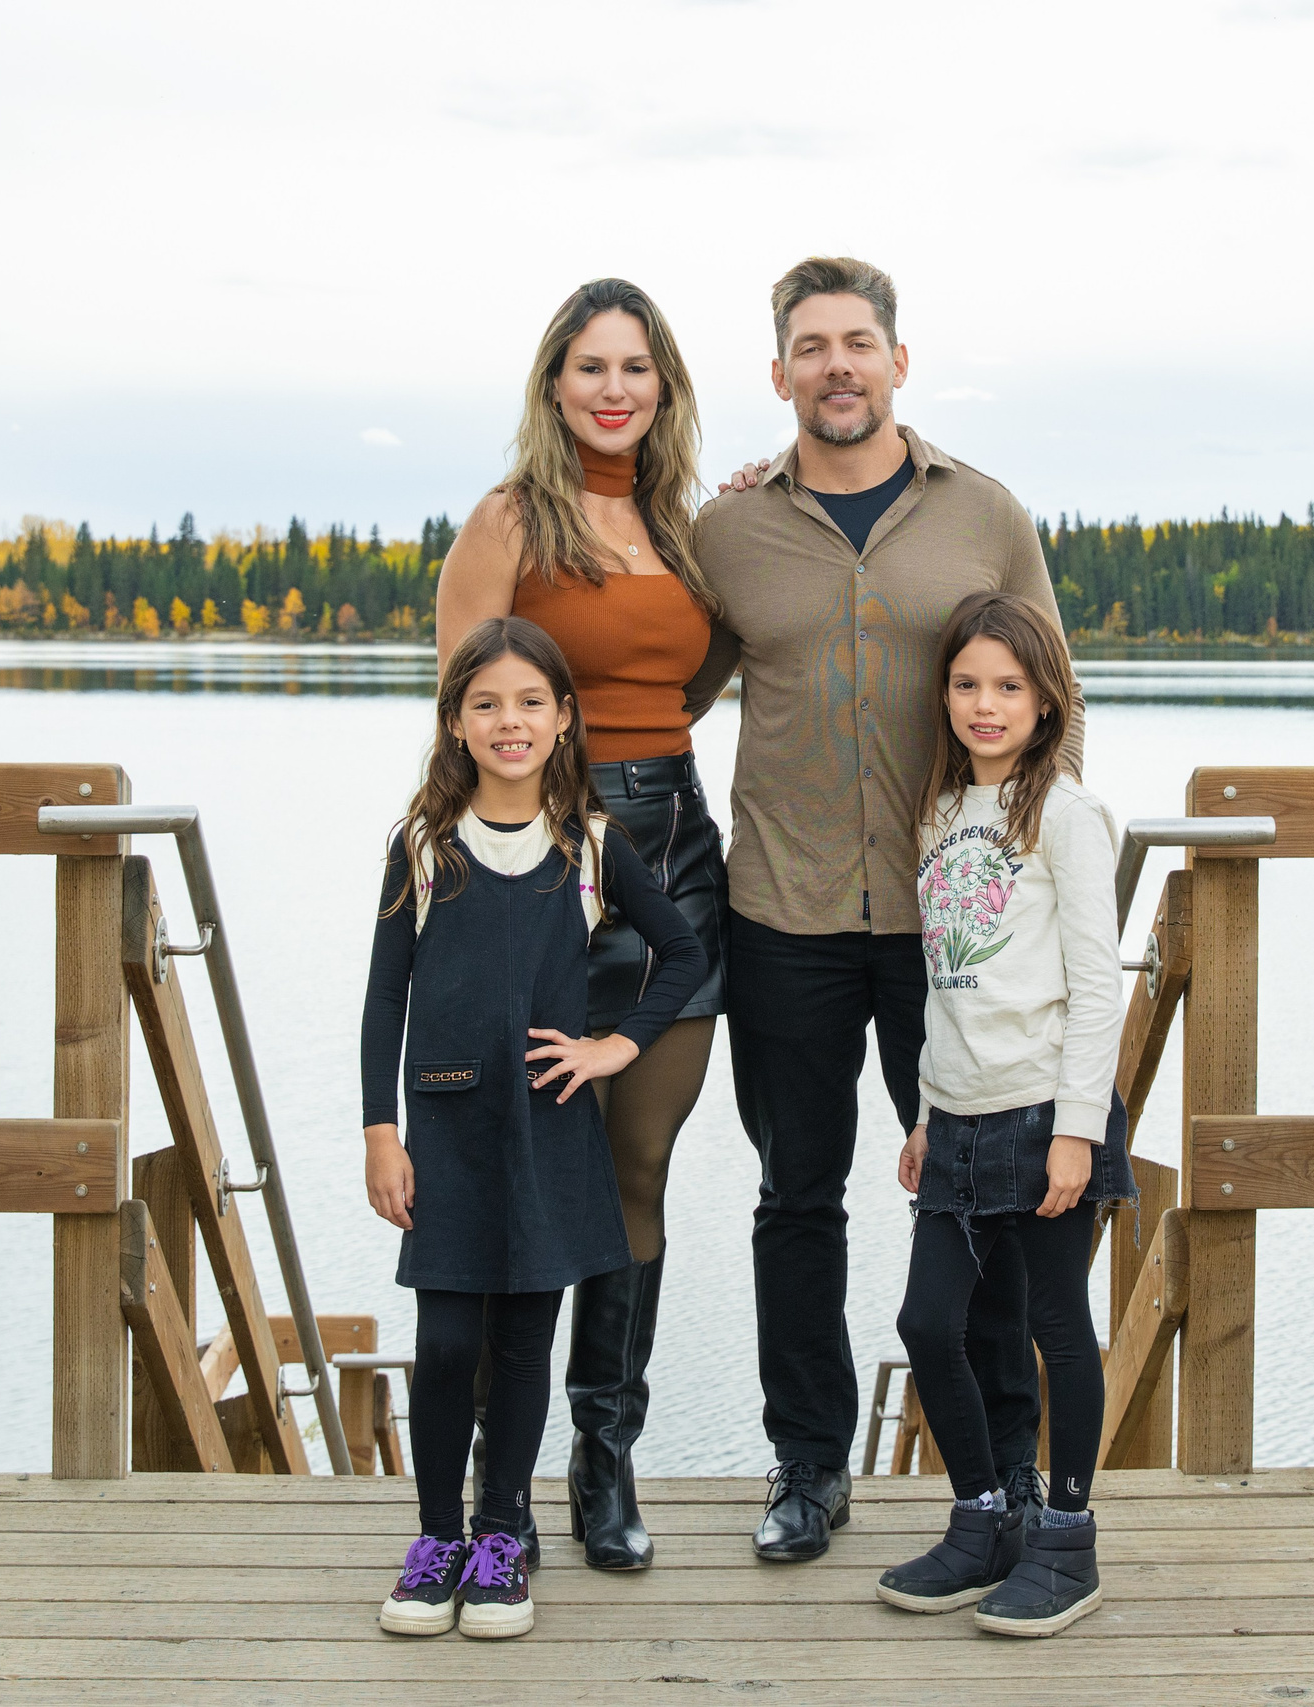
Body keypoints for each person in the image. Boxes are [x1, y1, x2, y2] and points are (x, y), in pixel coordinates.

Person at [683, 256, 1088, 1562]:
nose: (838, 365)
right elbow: (657, 698)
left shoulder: (987, 515)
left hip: (951, 933)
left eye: (859, 342)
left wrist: (1041, 887)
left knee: (982, 1204)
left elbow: (1049, 711)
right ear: (781, 373)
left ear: (899, 362)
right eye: (812, 346)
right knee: (796, 1194)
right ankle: (809, 1464)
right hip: (783, 911)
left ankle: (1009, 1478)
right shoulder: (729, 530)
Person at [436, 279, 726, 1569]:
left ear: (663, 388)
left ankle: (604, 1467)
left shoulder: (682, 522)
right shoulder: (509, 522)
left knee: (638, 1172)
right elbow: (458, 708)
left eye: (637, 369)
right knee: (525, 1169)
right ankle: (504, 1487)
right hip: (544, 856)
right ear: (553, 383)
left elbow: (694, 672)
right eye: (589, 366)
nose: (614, 390)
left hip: (673, 848)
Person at [362, 618, 707, 1638]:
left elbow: (682, 956)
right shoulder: (423, 848)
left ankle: (503, 1534)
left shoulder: (592, 845)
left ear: (563, 719)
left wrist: (614, 1046)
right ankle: (437, 1541)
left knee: (522, 1344)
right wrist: (382, 1130)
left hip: (549, 1130)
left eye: (529, 703)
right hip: (448, 1129)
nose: (508, 722)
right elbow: (386, 1000)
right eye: (486, 705)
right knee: (446, 1342)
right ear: (457, 724)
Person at [874, 591, 1132, 1637]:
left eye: (1009, 688)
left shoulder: (1063, 814)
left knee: (1052, 1323)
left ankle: (1066, 1538)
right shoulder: (940, 811)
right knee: (927, 1321)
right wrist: (930, 1112)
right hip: (960, 1114)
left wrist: (1077, 1128)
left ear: (1045, 700)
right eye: (968, 684)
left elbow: (1094, 984)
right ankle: (983, 1518)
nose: (986, 706)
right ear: (944, 696)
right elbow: (948, 980)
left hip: (1042, 1115)